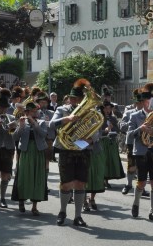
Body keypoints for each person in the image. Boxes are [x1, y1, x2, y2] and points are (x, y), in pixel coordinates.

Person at [49, 79, 97, 227]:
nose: (75, 100)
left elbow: (96, 130)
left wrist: (90, 140)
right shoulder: (62, 110)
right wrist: (67, 119)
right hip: (66, 150)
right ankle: (62, 211)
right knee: (66, 184)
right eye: (72, 98)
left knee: (81, 184)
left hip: (82, 150)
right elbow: (51, 124)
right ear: (69, 99)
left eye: (78, 98)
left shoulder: (89, 112)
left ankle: (78, 216)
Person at [125, 83, 153, 221]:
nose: (151, 104)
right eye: (148, 101)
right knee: (142, 182)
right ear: (143, 103)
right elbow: (129, 135)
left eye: (152, 102)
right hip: (141, 152)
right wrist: (141, 129)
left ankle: (152, 210)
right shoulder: (135, 116)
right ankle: (136, 203)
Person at [12, 101, 49, 215]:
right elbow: (15, 137)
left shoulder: (42, 122)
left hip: (38, 153)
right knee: (24, 177)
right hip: (26, 152)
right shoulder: (21, 122)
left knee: (37, 178)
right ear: (27, 112)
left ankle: (34, 206)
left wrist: (34, 123)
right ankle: (21, 201)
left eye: (35, 111)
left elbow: (43, 134)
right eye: (32, 111)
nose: (35, 113)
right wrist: (21, 126)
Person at [119, 89, 143, 195]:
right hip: (131, 142)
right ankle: (128, 184)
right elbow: (122, 126)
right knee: (132, 165)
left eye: (142, 102)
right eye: (138, 102)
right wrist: (130, 123)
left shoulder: (147, 113)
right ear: (135, 103)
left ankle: (141, 187)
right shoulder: (129, 113)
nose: (141, 104)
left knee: (141, 166)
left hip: (144, 142)